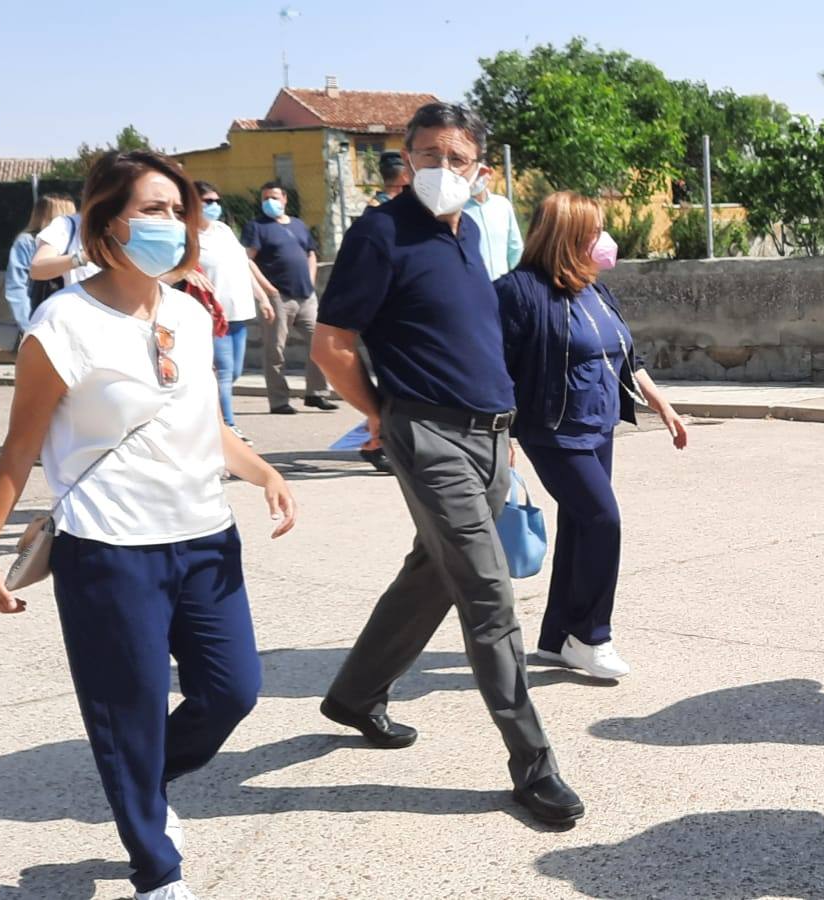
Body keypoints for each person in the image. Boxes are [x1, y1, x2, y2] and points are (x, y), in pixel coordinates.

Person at [0, 150, 297, 900]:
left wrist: (266, 472)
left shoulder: (185, 307)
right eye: (152, 208)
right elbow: (20, 447)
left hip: (206, 538)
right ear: (105, 221)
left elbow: (203, 422)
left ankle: (142, 784)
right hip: (110, 550)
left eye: (178, 209)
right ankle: (156, 869)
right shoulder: (63, 324)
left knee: (233, 691)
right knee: (130, 711)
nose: (172, 223)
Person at [310, 102, 582, 825]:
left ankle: (355, 694)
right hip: (427, 433)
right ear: (405, 159)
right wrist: (379, 415)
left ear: (480, 170)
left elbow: (469, 344)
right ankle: (534, 764)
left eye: (454, 157)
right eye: (425, 154)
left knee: (431, 573)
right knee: (488, 593)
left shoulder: (466, 235)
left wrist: (506, 435)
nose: (438, 168)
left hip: (491, 437)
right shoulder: (380, 234)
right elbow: (331, 344)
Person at [499, 191, 689, 680]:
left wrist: (662, 404)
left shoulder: (596, 290)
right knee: (604, 521)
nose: (603, 240)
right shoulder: (518, 292)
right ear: (567, 237)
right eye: (593, 231)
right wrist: (500, 436)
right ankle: (591, 636)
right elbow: (494, 368)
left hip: (597, 425)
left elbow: (629, 357)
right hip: (552, 430)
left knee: (582, 524)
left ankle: (556, 636)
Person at [241, 181, 335, 415]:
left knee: (320, 345)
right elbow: (248, 260)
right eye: (265, 199)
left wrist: (311, 279)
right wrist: (268, 290)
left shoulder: (299, 225)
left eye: (273, 197)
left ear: (284, 199)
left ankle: (316, 393)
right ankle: (279, 401)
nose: (269, 202)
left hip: (306, 296)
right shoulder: (256, 227)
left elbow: (311, 254)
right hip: (278, 297)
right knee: (275, 350)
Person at [194, 181, 276, 443]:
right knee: (225, 370)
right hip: (213, 315)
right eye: (207, 202)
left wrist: (262, 297)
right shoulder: (188, 236)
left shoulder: (224, 231)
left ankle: (208, 417)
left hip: (239, 312)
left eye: (217, 201)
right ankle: (227, 426)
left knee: (235, 372)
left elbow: (244, 265)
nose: (214, 206)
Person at [3, 193, 76, 332]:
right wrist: (29, 327)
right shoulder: (27, 242)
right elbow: (16, 286)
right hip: (40, 321)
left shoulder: (74, 243)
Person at [466, 164, 525, 280]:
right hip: (474, 287)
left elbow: (515, 249)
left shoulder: (503, 205)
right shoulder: (457, 210)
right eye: (470, 175)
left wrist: (519, 281)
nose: (474, 179)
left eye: (478, 174)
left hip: (504, 287)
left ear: (489, 173)